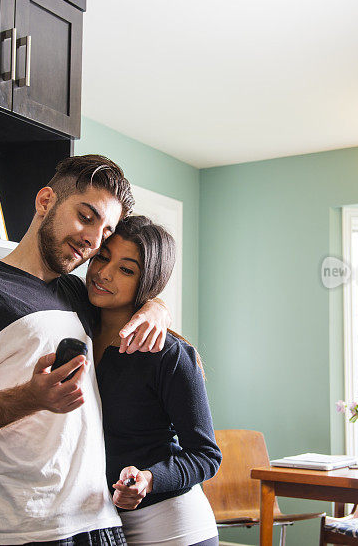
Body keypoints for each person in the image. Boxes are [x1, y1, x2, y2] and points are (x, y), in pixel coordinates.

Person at [0, 155, 172, 545]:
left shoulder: (76, 293)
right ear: (45, 202)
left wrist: (157, 306)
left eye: (105, 231)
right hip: (23, 529)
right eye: (86, 217)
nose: (93, 240)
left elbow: (131, 300)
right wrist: (31, 398)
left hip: (97, 521)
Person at [87, 215, 222, 546]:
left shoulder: (170, 354)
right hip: (99, 523)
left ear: (148, 281)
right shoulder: (75, 326)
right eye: (103, 257)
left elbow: (206, 455)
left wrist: (148, 479)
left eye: (127, 269)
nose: (105, 273)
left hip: (173, 525)